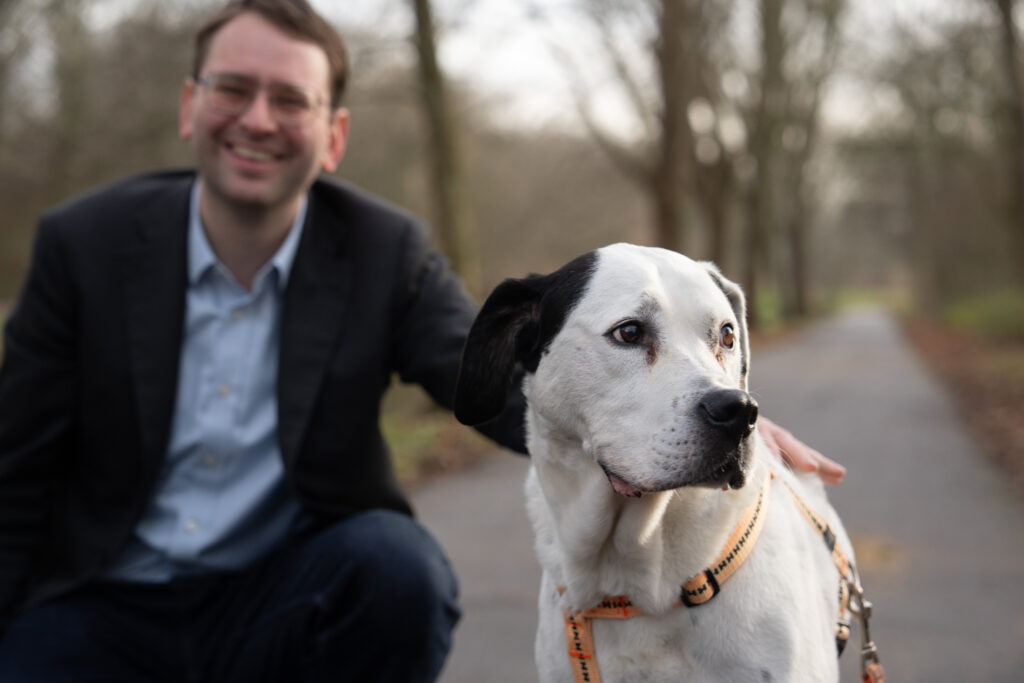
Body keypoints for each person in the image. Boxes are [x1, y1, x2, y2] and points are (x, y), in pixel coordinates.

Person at [0, 0, 844, 681]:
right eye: (232, 88)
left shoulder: (381, 250)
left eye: (291, 98)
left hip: (284, 601)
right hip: (105, 604)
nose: (257, 118)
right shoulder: (84, 244)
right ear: (190, 105)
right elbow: (16, 462)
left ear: (333, 135)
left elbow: (493, 377)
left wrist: (692, 421)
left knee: (397, 571)